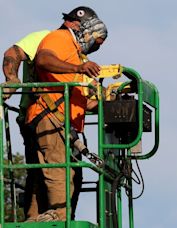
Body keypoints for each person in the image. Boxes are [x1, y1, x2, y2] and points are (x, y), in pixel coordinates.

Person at [23, 6, 107, 222]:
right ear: (74, 24)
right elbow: (43, 59)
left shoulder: (75, 54)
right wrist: (79, 69)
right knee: (60, 172)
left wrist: (108, 100)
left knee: (65, 175)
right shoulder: (60, 38)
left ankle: (42, 218)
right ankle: (60, 219)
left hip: (65, 124)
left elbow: (83, 102)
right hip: (51, 116)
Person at [2, 30, 51, 220]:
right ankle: (38, 217)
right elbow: (13, 52)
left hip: (60, 121)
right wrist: (12, 79)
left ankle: (51, 215)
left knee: (64, 171)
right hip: (37, 117)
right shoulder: (45, 38)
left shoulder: (77, 53)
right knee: (43, 169)